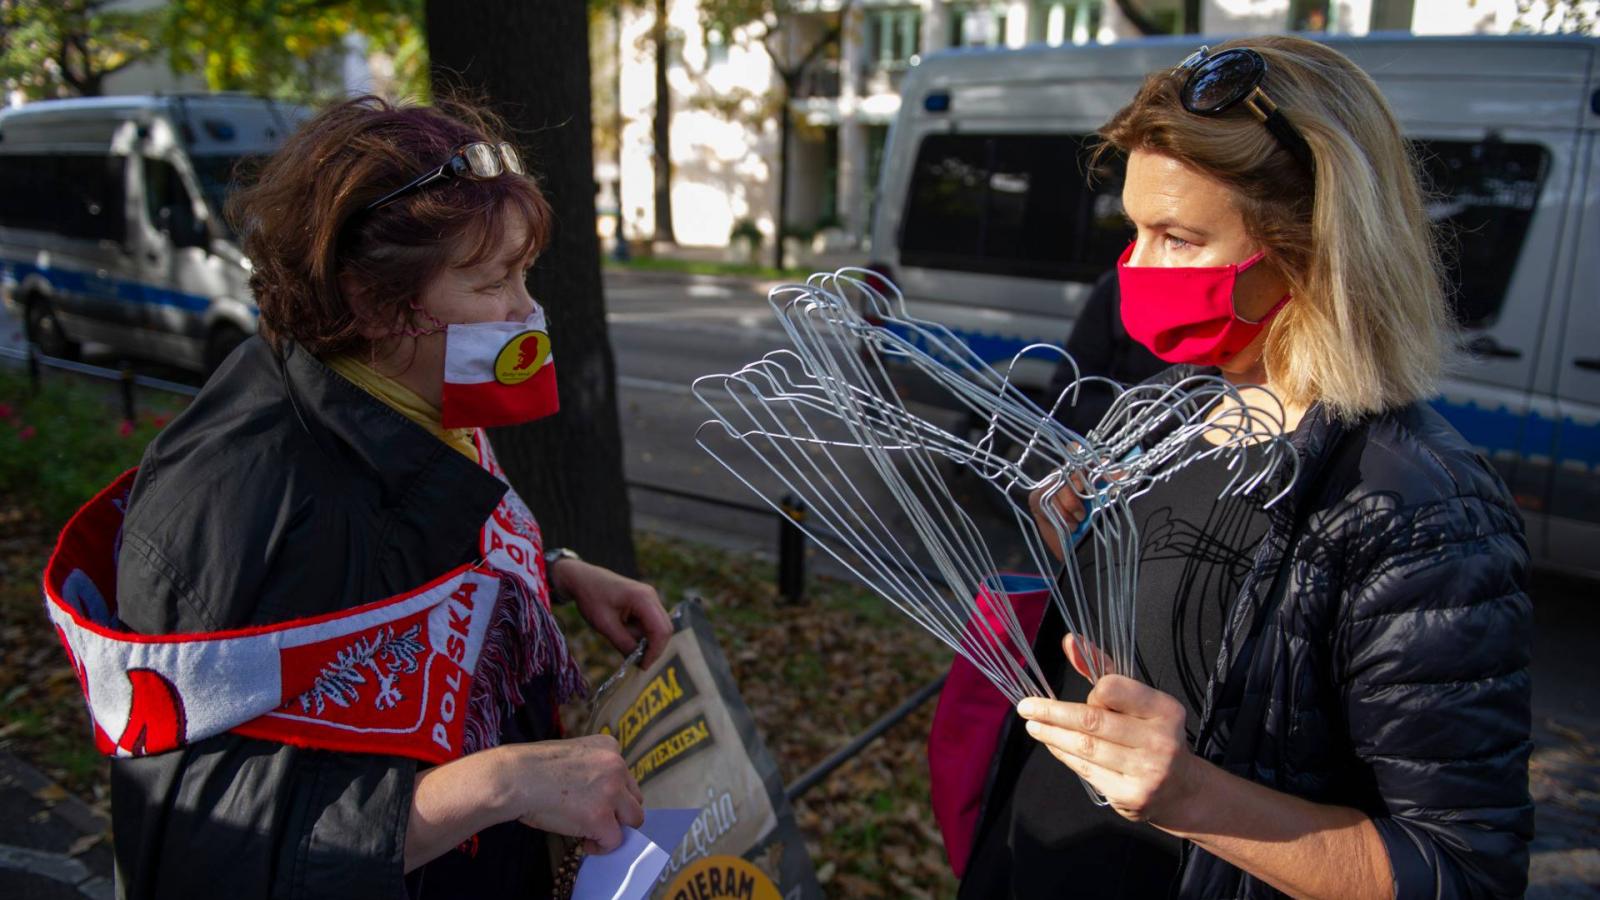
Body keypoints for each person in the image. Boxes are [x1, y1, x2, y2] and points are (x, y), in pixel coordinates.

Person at [43, 96, 674, 899]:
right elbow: (202, 848)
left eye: (525, 273)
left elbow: (376, 594)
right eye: (491, 281)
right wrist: (500, 787)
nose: (525, 311)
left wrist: (547, 575)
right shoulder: (244, 502)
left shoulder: (397, 390)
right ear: (376, 303)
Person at [961, 37, 1532, 899]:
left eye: (1179, 239)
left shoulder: (1416, 507)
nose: (1135, 271)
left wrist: (1190, 794)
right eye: (1134, 231)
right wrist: (1073, 537)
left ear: (1315, 249)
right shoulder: (1174, 409)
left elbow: (1462, 872)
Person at [1048, 270, 1167, 437]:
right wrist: (1140, 418)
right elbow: (1068, 398)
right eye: (1133, 243)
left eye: (1178, 242)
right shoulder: (1117, 290)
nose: (1136, 259)